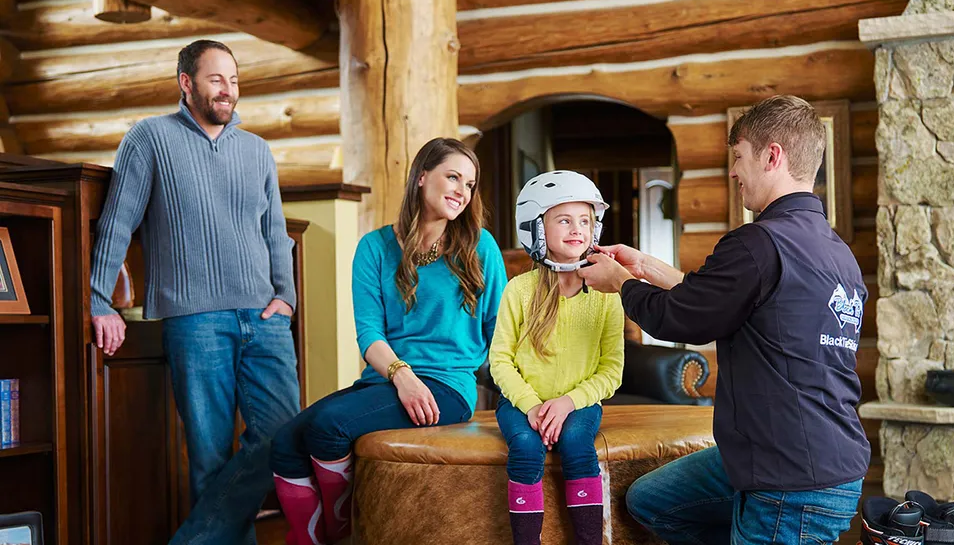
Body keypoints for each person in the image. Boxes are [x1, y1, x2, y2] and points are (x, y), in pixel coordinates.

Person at [579, 95, 870, 545]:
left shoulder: (758, 244)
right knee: (651, 500)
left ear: (772, 156)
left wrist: (620, 282)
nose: (733, 172)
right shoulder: (836, 254)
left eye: (738, 157)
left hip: (788, 481)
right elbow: (727, 301)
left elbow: (680, 320)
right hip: (807, 459)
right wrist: (646, 267)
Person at [90, 40, 301, 544]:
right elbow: (118, 223)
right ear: (186, 83)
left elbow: (275, 232)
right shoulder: (149, 139)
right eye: (215, 79)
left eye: (233, 79)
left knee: (283, 437)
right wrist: (98, 298)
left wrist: (286, 298)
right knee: (209, 460)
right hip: (195, 322)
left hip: (265, 317)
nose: (227, 90)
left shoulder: (256, 150)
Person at [269, 137, 508, 545]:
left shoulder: (480, 247)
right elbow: (369, 334)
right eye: (453, 177)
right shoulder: (374, 248)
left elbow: (500, 331)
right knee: (285, 443)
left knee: (328, 427)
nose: (462, 192)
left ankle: (342, 536)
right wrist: (402, 375)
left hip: (448, 388)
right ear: (421, 177)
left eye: (469, 184)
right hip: (387, 380)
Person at [490, 171, 624, 545]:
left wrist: (568, 403)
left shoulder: (606, 294)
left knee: (578, 446)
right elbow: (499, 361)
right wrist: (532, 406)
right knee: (526, 448)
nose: (576, 229)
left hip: (577, 404)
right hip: (521, 404)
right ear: (537, 228)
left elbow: (612, 370)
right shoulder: (519, 290)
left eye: (585, 220)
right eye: (563, 220)